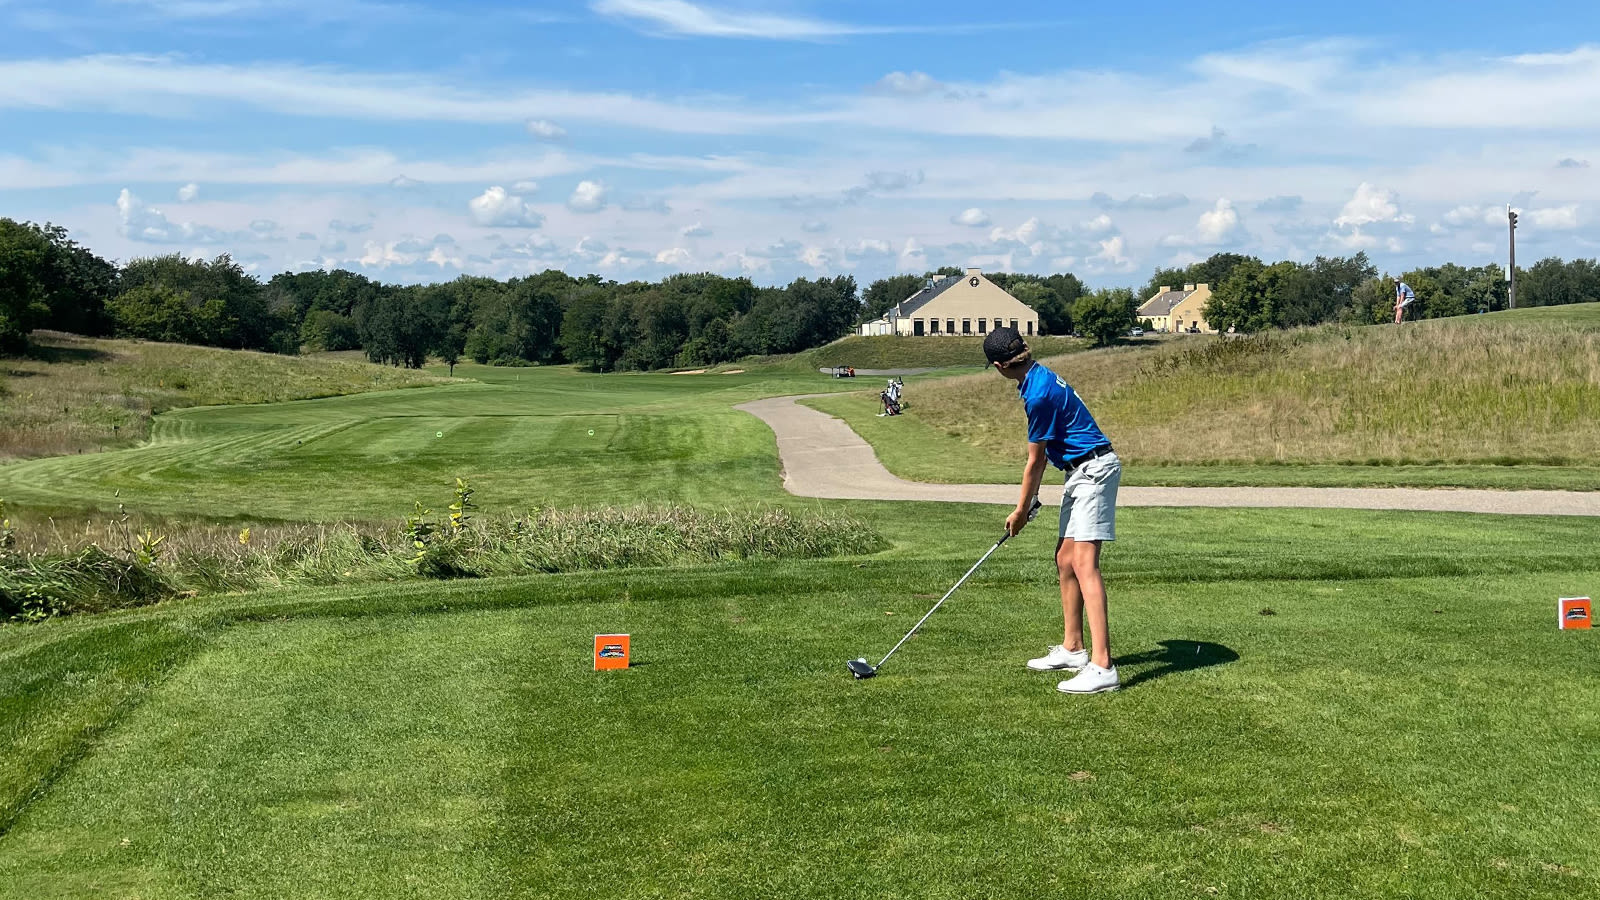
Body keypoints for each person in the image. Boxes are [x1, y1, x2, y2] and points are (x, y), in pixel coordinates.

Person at [983, 326, 1122, 694]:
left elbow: (1036, 462)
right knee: (1064, 558)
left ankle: (1103, 666)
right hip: (1081, 472)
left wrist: (1021, 509)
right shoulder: (1036, 378)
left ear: (998, 365)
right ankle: (1073, 647)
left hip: (1093, 469)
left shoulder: (1039, 394)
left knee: (1084, 563)